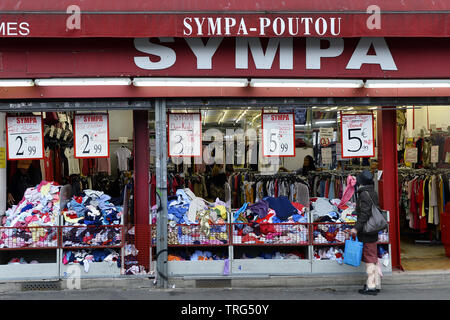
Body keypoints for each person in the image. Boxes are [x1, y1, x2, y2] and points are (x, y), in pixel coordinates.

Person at [350, 169, 381, 295]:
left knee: (369, 258)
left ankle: (371, 286)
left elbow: (364, 214)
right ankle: (376, 283)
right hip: (373, 229)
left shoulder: (363, 194)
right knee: (373, 257)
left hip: (367, 230)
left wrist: (356, 228)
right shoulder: (373, 192)